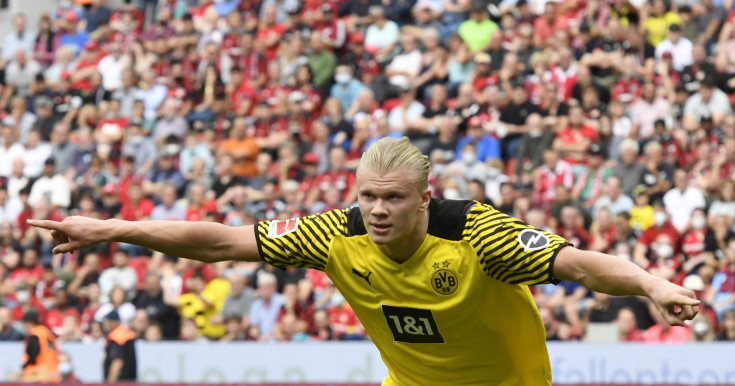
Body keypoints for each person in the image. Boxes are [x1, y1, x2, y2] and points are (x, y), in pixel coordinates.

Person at [29, 137, 700, 385]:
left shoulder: (477, 235)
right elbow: (223, 241)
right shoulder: (333, 235)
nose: (378, 211)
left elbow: (580, 265)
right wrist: (115, 228)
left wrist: (647, 281)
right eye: (368, 197)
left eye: (393, 199)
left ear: (423, 198)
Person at [19, 309, 60, 383]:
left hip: (39, 377)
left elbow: (33, 353)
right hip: (53, 376)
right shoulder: (48, 334)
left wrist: (24, 367)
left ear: (29, 323)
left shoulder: (35, 334)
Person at [103, 310, 137, 382]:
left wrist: (110, 383)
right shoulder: (126, 333)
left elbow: (117, 362)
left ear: (112, 322)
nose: (104, 325)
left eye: (106, 321)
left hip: (120, 382)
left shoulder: (117, 337)